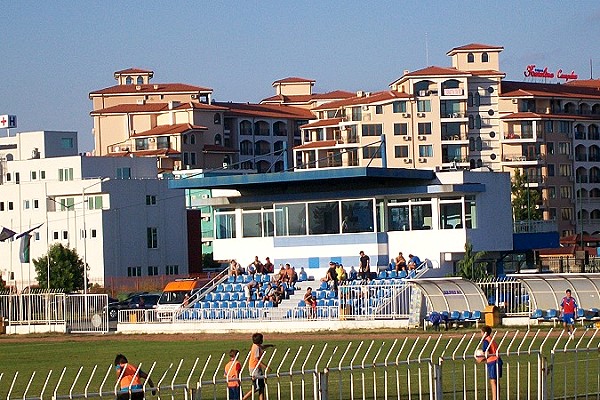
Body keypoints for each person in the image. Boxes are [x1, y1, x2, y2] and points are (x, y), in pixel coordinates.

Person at [242, 333, 274, 400]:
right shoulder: (256, 348)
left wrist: (269, 345)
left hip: (257, 368)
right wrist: (266, 367)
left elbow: (262, 347)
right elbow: (257, 360)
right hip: (255, 368)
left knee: (261, 387)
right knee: (257, 387)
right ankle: (243, 398)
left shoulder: (257, 346)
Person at [478, 325, 502, 400]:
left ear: (484, 333)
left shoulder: (486, 341)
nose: (480, 334)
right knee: (497, 381)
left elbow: (487, 353)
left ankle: (494, 398)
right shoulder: (491, 339)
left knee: (493, 381)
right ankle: (497, 397)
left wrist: (480, 359)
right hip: (498, 360)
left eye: (481, 332)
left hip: (493, 362)